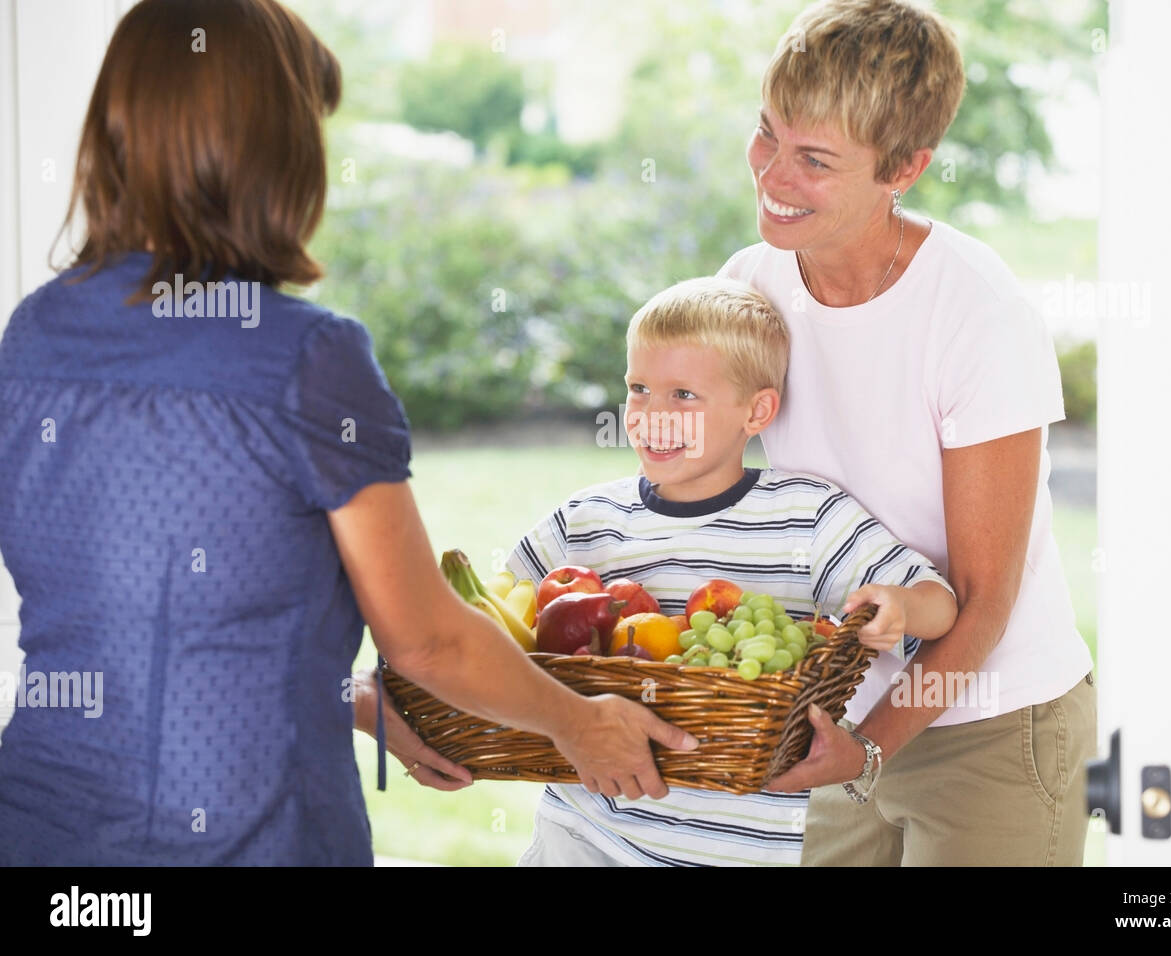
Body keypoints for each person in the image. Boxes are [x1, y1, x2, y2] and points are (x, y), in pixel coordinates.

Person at [0, 0, 694, 866]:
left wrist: (356, 697)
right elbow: (428, 638)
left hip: (45, 837)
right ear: (272, 153)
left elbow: (149, 616)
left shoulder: (33, 335)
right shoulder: (308, 356)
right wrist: (581, 724)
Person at [719, 0, 1097, 865]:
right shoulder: (750, 285)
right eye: (766, 134)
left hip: (993, 730)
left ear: (906, 169)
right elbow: (711, 509)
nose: (773, 175)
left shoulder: (975, 311)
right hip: (835, 715)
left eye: (814, 160)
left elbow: (982, 595)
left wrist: (875, 743)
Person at [507, 277, 957, 866]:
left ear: (758, 411)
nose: (653, 415)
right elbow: (487, 621)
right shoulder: (587, 522)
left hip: (746, 849)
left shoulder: (806, 516)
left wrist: (899, 605)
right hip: (587, 841)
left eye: (684, 396)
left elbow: (940, 604)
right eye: (638, 388)